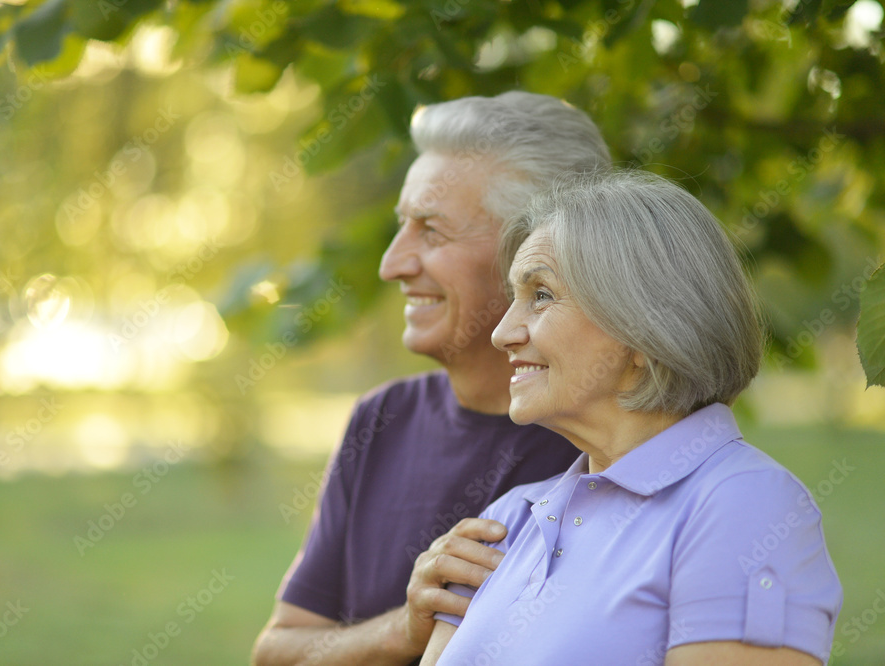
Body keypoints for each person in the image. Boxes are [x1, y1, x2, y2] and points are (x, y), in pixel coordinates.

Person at [421, 170, 843, 665]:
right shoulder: (507, 521)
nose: (502, 333)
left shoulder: (742, 503)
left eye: (541, 295)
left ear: (644, 329)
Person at [252, 92, 612, 665]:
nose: (392, 264)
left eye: (431, 231)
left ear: (542, 253)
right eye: (402, 226)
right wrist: (407, 629)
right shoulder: (382, 419)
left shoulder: (615, 439)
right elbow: (277, 652)